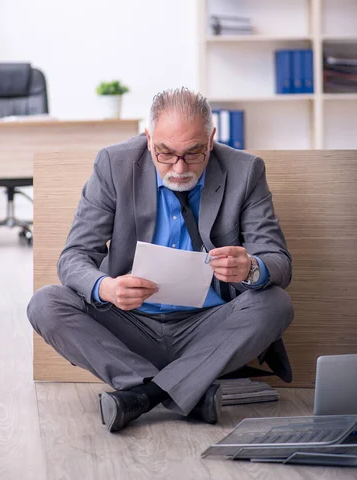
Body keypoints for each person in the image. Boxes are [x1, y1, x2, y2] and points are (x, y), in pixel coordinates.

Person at [27, 88, 293, 433]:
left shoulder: (245, 171)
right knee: (45, 303)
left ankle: (144, 394)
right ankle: (186, 389)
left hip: (208, 329)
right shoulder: (113, 165)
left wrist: (251, 267)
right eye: (165, 153)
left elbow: (279, 261)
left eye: (194, 153)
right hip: (130, 325)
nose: (179, 168)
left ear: (211, 140)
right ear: (148, 137)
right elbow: (74, 257)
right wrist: (105, 287)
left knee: (275, 303)